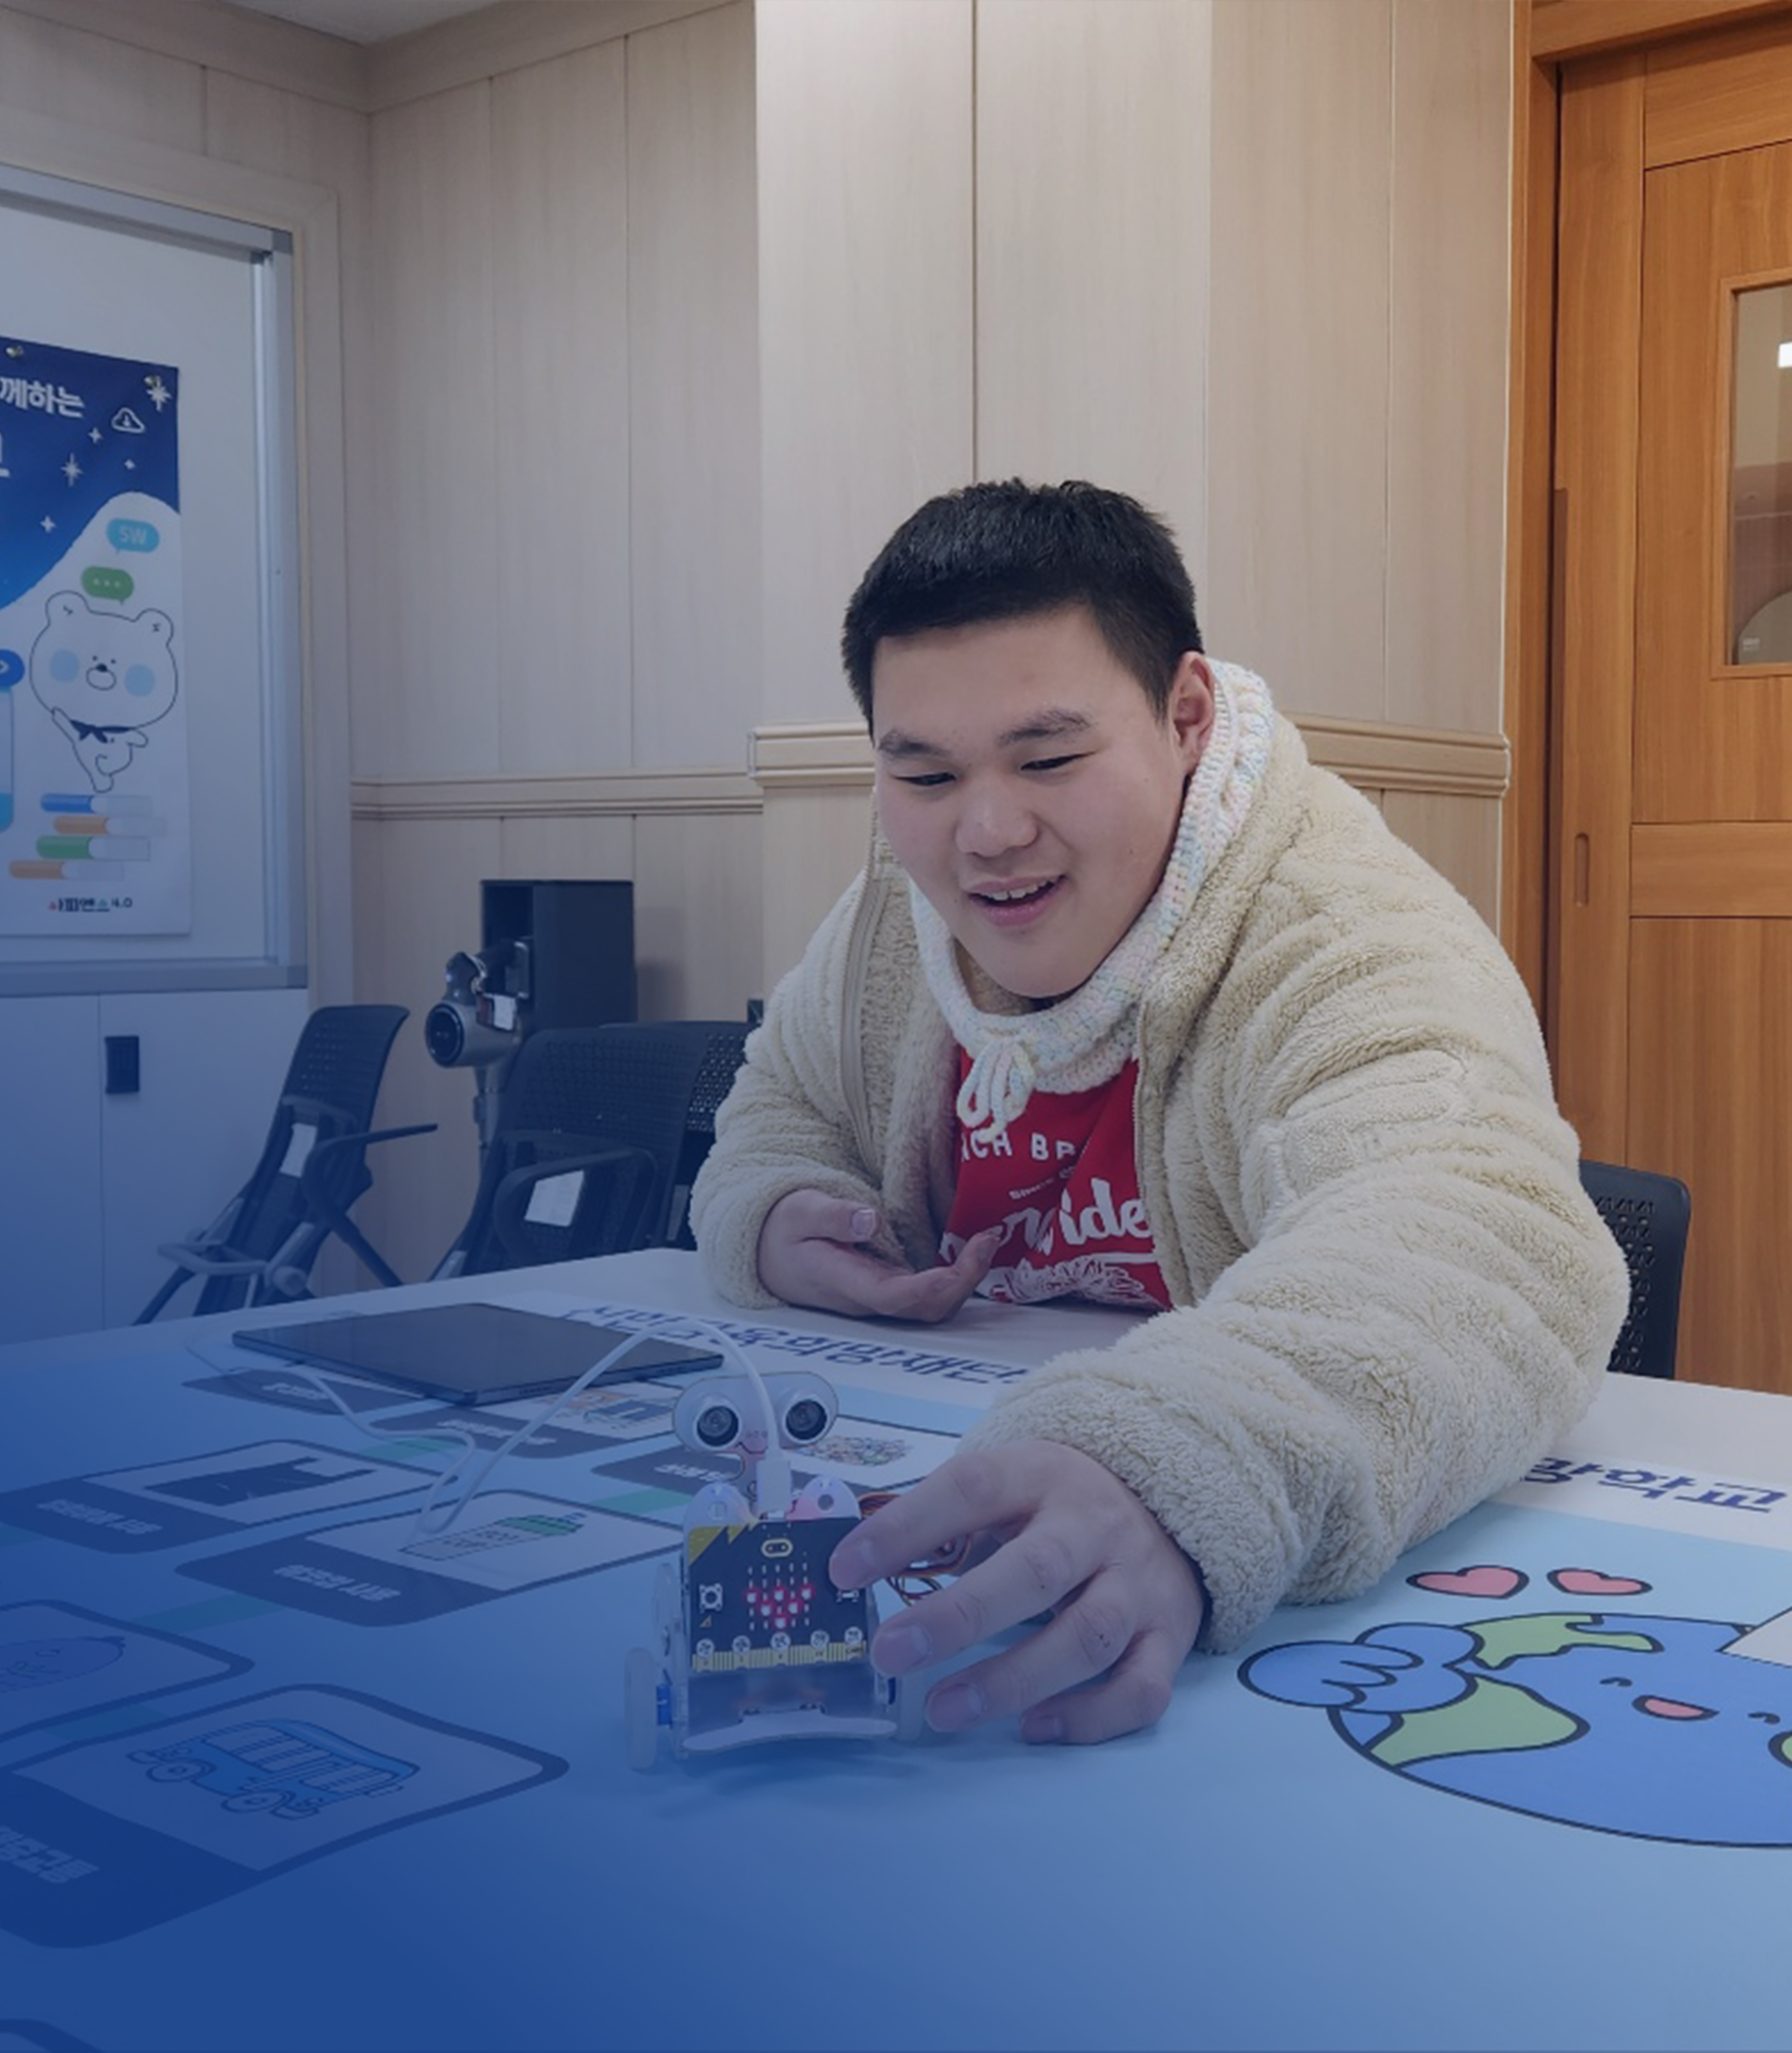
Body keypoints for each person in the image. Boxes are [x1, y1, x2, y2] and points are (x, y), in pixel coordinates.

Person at [691, 479, 1627, 1746]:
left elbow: (1480, 1230)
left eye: (1050, 758)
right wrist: (778, 1211)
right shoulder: (896, 925)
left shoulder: (1341, 930)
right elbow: (782, 1102)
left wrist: (1172, 1458)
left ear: (1185, 717)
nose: (988, 832)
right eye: (925, 772)